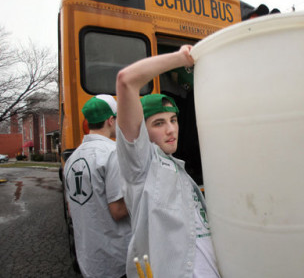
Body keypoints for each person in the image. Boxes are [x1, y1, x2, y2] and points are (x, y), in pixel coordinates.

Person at [115, 45, 221, 278]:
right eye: (159, 123)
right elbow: (126, 80)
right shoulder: (141, 164)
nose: (171, 129)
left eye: (173, 120)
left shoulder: (178, 168)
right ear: (143, 131)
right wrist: (180, 58)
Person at [64, 95, 131, 278]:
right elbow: (117, 210)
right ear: (110, 120)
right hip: (116, 260)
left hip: (88, 260)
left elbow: (72, 208)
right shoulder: (112, 153)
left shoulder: (71, 159)